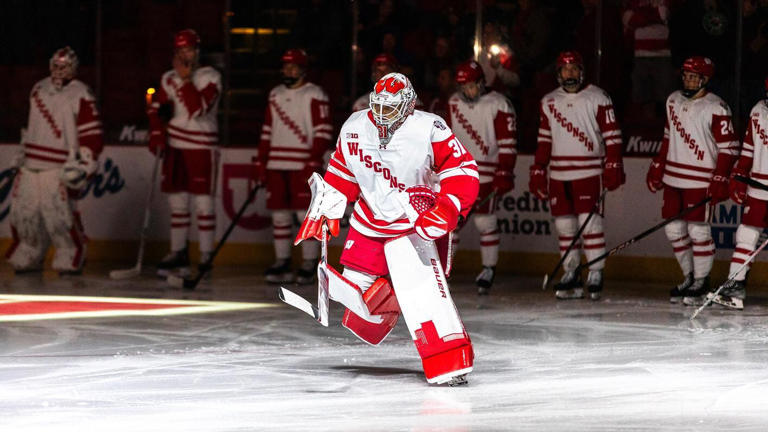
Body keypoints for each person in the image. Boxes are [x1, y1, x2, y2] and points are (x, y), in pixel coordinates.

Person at [295, 72, 479, 385]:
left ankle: (450, 362)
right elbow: (342, 172)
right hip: (368, 221)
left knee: (424, 296)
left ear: (408, 105)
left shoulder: (429, 128)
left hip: (413, 224)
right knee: (360, 311)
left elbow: (462, 170)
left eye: (390, 107)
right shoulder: (355, 125)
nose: (382, 113)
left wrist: (448, 208)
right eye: (378, 104)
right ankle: (392, 293)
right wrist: (327, 209)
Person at [529, 51, 625, 301]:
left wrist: (613, 164)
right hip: (559, 174)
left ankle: (595, 272)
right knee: (565, 226)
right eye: (565, 70)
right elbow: (544, 139)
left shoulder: (598, 97)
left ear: (581, 71)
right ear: (558, 73)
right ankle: (571, 272)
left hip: (589, 172)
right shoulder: (549, 101)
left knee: (590, 224)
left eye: (574, 69)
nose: (569, 74)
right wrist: (539, 168)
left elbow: (612, 135)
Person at [646, 56, 739, 306]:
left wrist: (720, 177)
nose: (688, 79)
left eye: (693, 76)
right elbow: (668, 137)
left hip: (700, 180)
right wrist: (658, 164)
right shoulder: (673, 100)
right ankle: (688, 277)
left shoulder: (717, 107)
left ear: (705, 79)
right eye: (685, 75)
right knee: (673, 229)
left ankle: (701, 280)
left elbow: (729, 148)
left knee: (699, 231)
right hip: (673, 178)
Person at [6, 47, 103, 275]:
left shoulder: (82, 93)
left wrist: (85, 161)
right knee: (24, 212)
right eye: (56, 66)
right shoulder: (38, 88)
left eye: (64, 66)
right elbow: (30, 125)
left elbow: (91, 132)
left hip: (60, 164)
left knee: (58, 214)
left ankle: (70, 253)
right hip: (31, 163)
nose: (59, 71)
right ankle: (29, 250)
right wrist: (22, 151)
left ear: (73, 68)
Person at [147, 29, 222, 277]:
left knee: (203, 202)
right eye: (180, 51)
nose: (184, 55)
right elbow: (157, 109)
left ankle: (206, 254)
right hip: (175, 146)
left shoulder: (211, 77)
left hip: (201, 146)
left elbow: (198, 109)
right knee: (177, 201)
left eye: (188, 50)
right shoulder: (168, 78)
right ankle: (178, 251)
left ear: (198, 51)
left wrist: (186, 79)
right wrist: (157, 134)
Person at [255, 49, 333, 284]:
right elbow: (267, 130)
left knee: (304, 214)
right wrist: (261, 160)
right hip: (277, 162)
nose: (288, 70)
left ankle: (309, 262)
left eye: (293, 66)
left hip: (303, 162)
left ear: (303, 69)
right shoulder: (275, 94)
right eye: (285, 66)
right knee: (279, 214)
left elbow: (323, 130)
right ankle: (283, 260)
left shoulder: (314, 93)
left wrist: (313, 158)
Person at [445, 60, 516, 295]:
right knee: (451, 224)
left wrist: (504, 171)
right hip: (458, 174)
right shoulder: (453, 103)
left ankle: (488, 269)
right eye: (463, 86)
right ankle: (444, 270)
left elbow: (508, 143)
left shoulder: (499, 104)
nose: (467, 91)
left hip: (486, 172)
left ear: (482, 82)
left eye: (471, 86)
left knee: (485, 222)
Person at [711, 78, 768, 310]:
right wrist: (739, 175)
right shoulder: (758, 110)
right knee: (746, 234)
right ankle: (735, 286)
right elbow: (749, 149)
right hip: (758, 187)